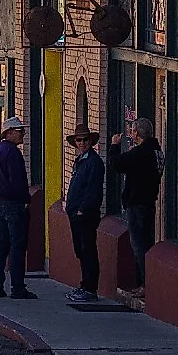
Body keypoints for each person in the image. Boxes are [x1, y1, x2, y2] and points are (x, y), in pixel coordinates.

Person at [111, 114, 165, 300]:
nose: (131, 134)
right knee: (145, 244)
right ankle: (143, 283)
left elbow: (117, 164)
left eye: (132, 131)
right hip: (148, 203)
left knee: (139, 246)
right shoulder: (157, 152)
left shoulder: (142, 153)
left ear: (137, 133)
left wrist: (114, 146)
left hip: (138, 204)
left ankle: (145, 285)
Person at [0, 118, 35, 300]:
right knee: (17, 246)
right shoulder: (13, 153)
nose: (22, 133)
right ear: (8, 132)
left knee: (1, 246)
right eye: (19, 131)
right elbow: (17, 181)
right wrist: (25, 199)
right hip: (13, 204)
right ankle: (17, 287)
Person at [65, 128, 106, 301]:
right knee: (80, 250)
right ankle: (84, 284)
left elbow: (94, 189)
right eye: (78, 140)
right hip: (75, 213)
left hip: (85, 215)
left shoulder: (94, 162)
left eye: (85, 140)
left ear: (91, 141)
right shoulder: (80, 160)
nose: (81, 143)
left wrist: (83, 208)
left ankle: (90, 289)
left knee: (88, 249)